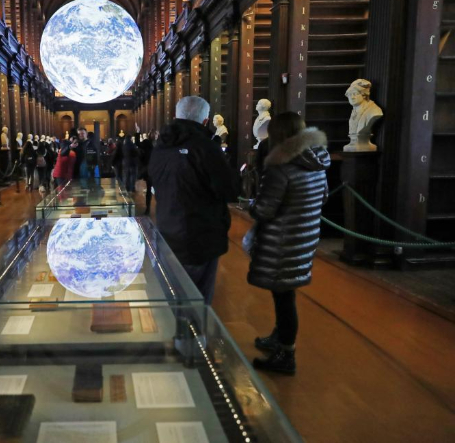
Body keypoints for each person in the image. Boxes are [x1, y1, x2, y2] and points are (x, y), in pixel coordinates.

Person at [247, 112, 330, 375]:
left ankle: (286, 353)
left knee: (284, 298)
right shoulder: (316, 162)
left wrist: (251, 205)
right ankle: (279, 337)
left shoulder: (280, 167)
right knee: (285, 293)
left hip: (282, 243)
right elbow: (323, 197)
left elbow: (264, 210)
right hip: (304, 238)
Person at [149, 96, 238, 304]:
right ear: (205, 121)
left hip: (167, 229)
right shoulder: (206, 147)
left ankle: (177, 324)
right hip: (201, 236)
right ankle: (192, 326)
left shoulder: (160, 146)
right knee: (198, 301)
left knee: (173, 294)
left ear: (175, 116)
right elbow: (230, 190)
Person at [138, 131, 154, 215]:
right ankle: (149, 207)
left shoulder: (146, 149)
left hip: (150, 171)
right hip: (152, 170)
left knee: (149, 190)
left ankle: (148, 208)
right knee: (150, 189)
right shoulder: (151, 146)